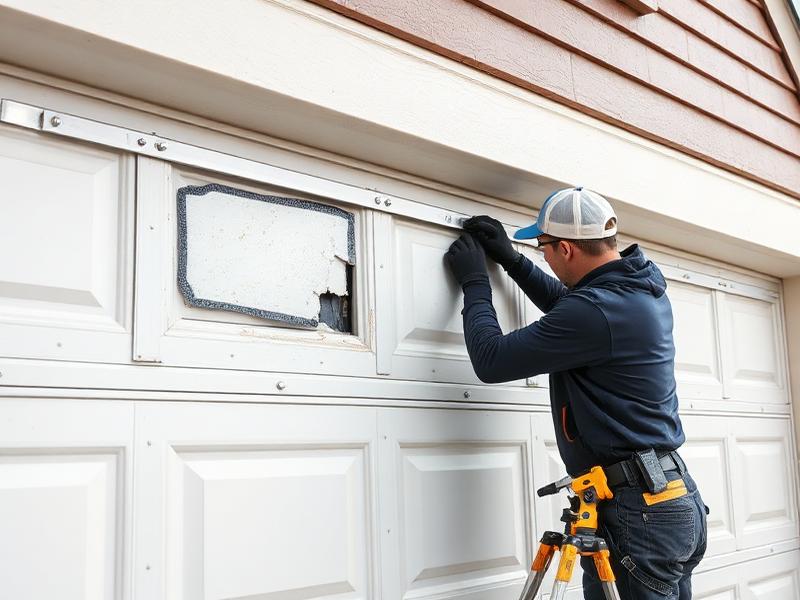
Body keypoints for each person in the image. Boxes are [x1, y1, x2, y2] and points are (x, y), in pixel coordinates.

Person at [444, 186, 707, 600]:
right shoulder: (636, 290)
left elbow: (491, 360)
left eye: (543, 248)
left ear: (565, 249)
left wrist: (476, 282)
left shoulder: (597, 310)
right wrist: (512, 260)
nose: (543, 256)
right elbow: (571, 305)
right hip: (669, 499)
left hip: (638, 512)